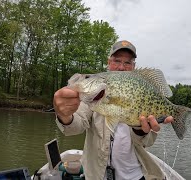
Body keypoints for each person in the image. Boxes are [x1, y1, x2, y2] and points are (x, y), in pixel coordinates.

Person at [53, 40, 173, 180]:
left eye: (127, 63)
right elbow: (74, 127)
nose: (121, 67)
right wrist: (64, 115)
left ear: (133, 66)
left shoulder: (144, 93)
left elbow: (147, 141)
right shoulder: (93, 98)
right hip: (98, 176)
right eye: (117, 60)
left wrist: (140, 129)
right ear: (108, 63)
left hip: (135, 175)